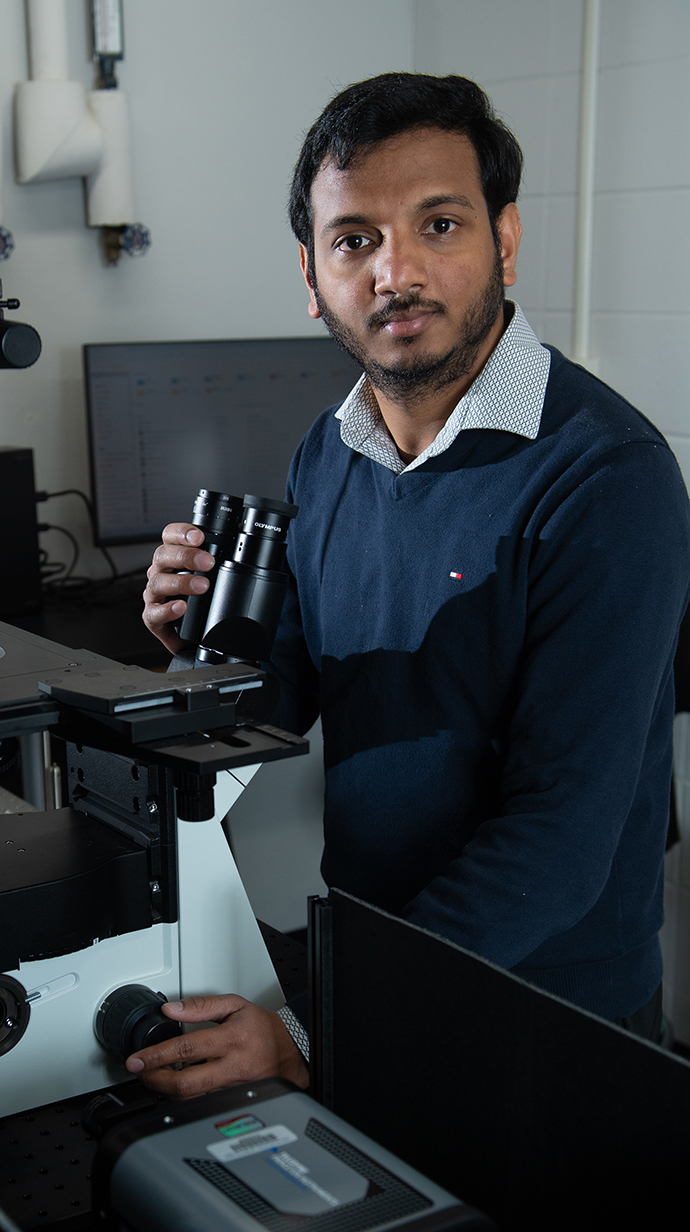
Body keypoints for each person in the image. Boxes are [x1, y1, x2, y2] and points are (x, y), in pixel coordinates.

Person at [136, 72, 690, 1097]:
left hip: (546, 1009)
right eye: (354, 239)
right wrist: (200, 649)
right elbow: (291, 697)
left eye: (439, 223)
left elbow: (560, 842)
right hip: (383, 955)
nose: (397, 270)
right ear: (310, 272)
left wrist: (325, 1022)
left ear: (505, 238)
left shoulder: (605, 474)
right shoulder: (330, 450)